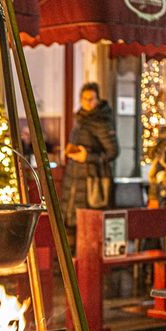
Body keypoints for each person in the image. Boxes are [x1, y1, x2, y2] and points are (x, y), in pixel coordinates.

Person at [62, 82, 119, 226]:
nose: (87, 102)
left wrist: (88, 157)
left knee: (88, 225)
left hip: (92, 182)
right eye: (84, 98)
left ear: (98, 99)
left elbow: (113, 151)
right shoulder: (80, 120)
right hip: (74, 179)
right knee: (70, 223)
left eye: (91, 98)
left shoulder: (102, 122)